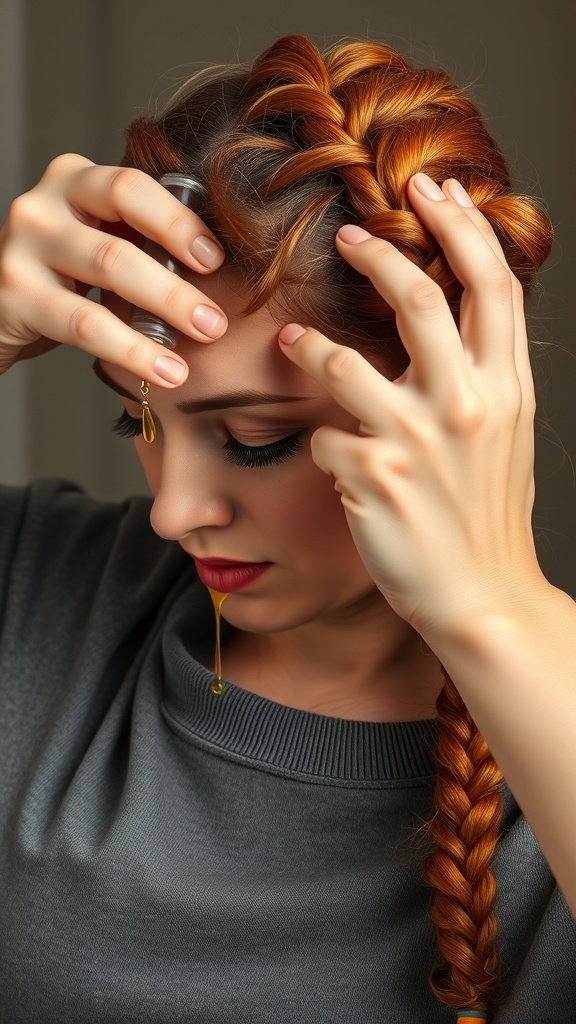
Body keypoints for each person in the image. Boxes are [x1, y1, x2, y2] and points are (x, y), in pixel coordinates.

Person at [0, 32, 575, 1024]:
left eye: (257, 439)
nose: (174, 510)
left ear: (452, 405)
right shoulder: (36, 586)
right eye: (135, 418)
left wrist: (496, 611)